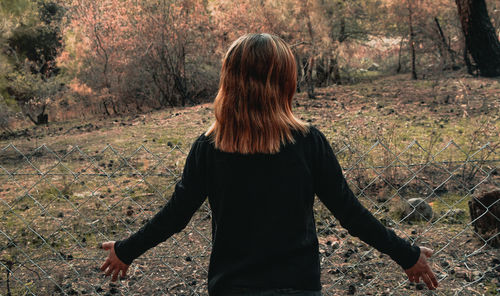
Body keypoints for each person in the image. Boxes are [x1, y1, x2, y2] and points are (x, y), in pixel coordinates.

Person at [100, 33, 438, 295]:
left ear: (229, 83)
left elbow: (175, 215)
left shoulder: (209, 147)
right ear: (285, 82)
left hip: (232, 287)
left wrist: (127, 250)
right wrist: (406, 255)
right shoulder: (308, 143)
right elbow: (350, 213)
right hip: (298, 286)